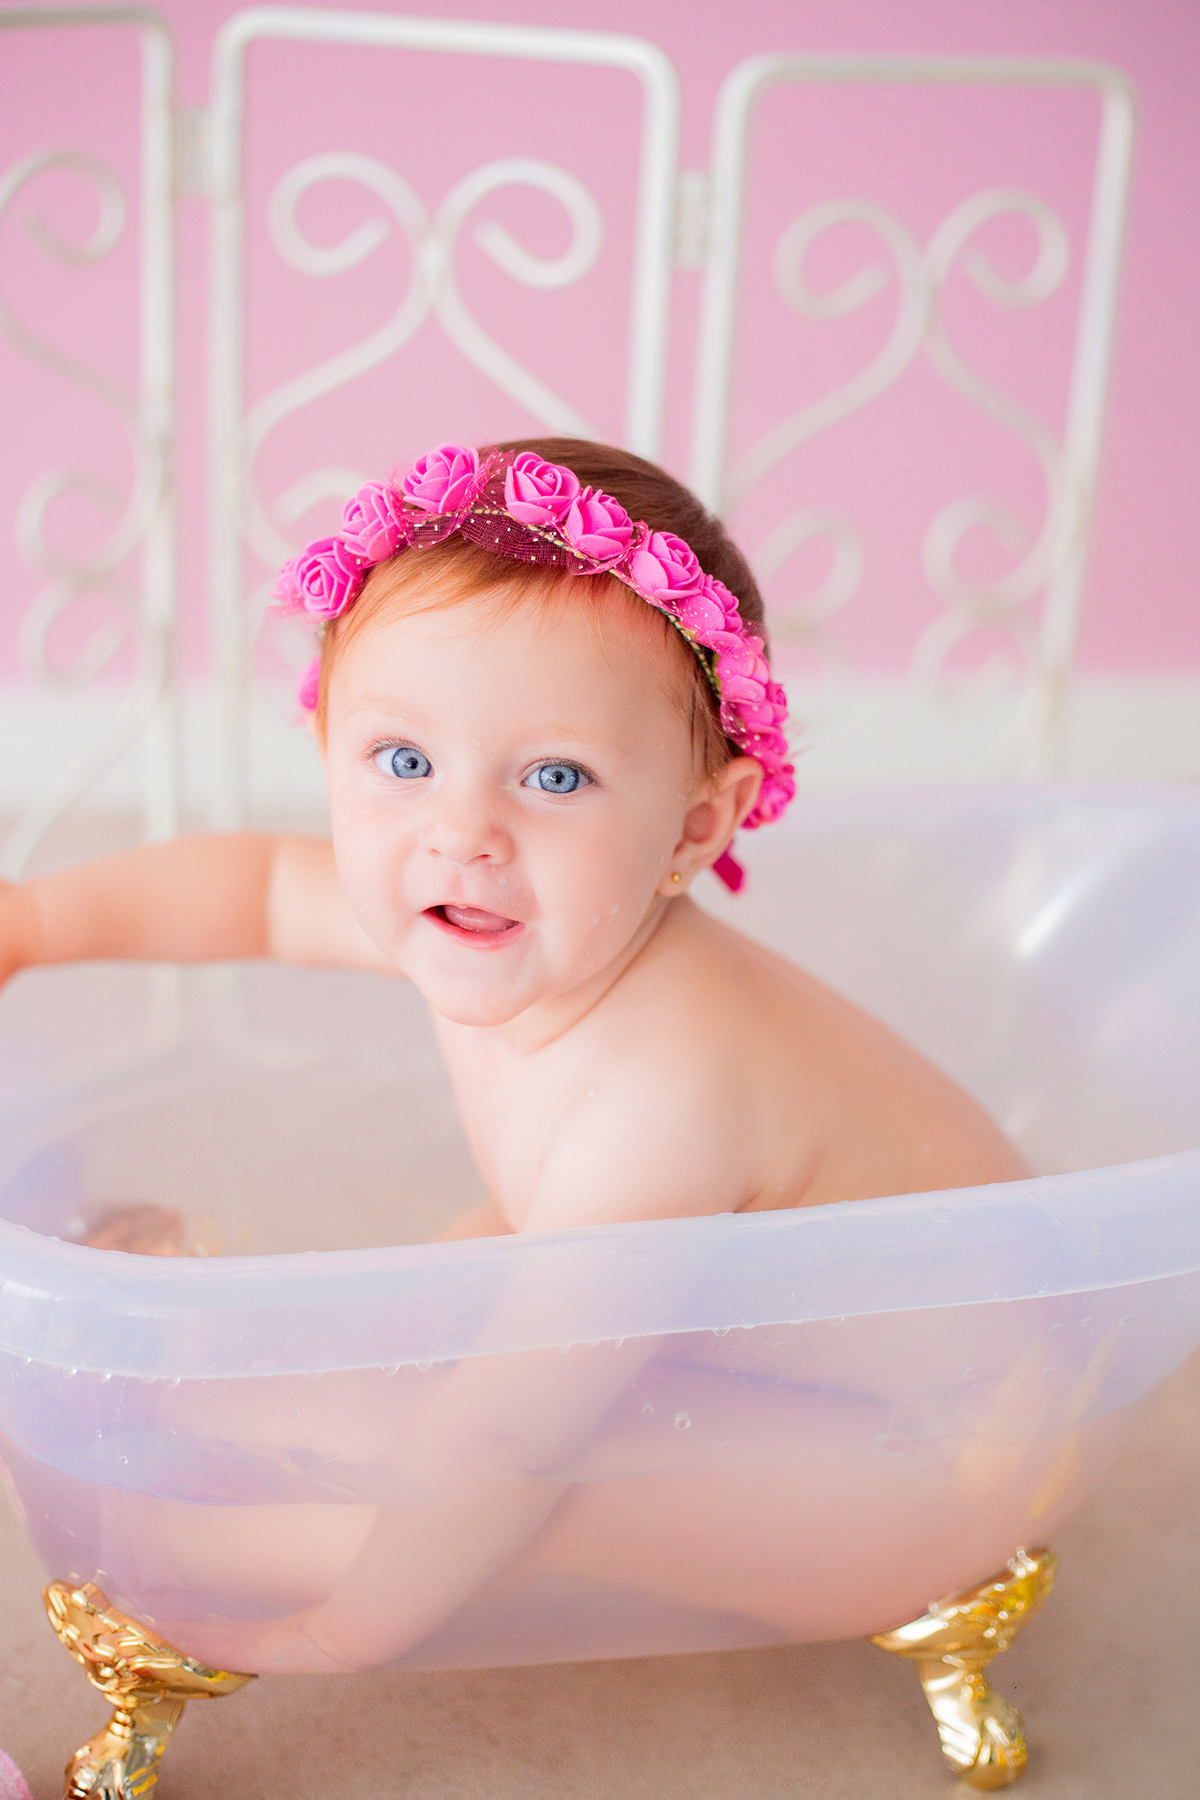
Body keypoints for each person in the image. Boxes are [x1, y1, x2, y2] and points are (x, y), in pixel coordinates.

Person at [0, 439, 1028, 1669]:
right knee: (360, 1355)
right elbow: (264, 889)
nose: (462, 832)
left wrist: (356, 1628)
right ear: (329, 741)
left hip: (928, 1472)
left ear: (694, 827)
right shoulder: (517, 920)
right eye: (403, 761)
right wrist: (36, 923)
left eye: (555, 776)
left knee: (444, 1478)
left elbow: (509, 1444)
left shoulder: (660, 1104)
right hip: (748, 1340)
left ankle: (252, 1544)